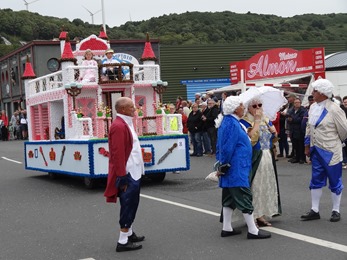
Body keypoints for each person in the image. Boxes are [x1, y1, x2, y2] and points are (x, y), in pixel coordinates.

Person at [216, 96, 271, 239]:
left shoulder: (231, 122)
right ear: (235, 108)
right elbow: (227, 147)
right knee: (244, 195)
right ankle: (253, 230)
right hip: (235, 167)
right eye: (241, 105)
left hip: (234, 166)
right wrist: (223, 164)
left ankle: (226, 228)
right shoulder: (231, 123)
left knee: (229, 198)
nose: (244, 107)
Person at [302, 78, 347, 222]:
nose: (312, 93)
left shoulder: (335, 109)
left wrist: (336, 143)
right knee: (316, 179)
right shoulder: (313, 107)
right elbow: (309, 127)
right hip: (316, 150)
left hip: (331, 151)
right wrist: (307, 145)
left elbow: (344, 130)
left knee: (335, 180)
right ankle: (314, 210)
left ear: (322, 93)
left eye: (315, 90)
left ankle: (336, 210)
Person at [104, 97, 145, 252]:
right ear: (122, 109)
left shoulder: (125, 122)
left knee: (132, 203)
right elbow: (117, 153)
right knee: (128, 204)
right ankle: (122, 241)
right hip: (128, 172)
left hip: (134, 170)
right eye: (131, 107)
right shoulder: (119, 126)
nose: (134, 109)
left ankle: (129, 233)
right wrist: (122, 175)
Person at [240, 99, 282, 227]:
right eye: (254, 106)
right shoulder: (244, 121)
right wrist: (257, 121)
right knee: (255, 186)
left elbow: (274, 138)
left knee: (265, 185)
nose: (258, 108)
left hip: (267, 156)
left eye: (260, 105)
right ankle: (252, 216)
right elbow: (250, 140)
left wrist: (273, 132)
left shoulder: (266, 119)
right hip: (255, 157)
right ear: (248, 107)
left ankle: (261, 214)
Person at [287, 98, 307, 164]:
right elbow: (288, 117)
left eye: (298, 102)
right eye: (295, 102)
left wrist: (292, 119)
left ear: (300, 103)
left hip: (299, 130)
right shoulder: (292, 110)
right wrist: (291, 119)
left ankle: (302, 158)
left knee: (301, 145)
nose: (296, 104)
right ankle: (296, 157)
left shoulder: (303, 110)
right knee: (295, 145)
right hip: (292, 130)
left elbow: (300, 119)